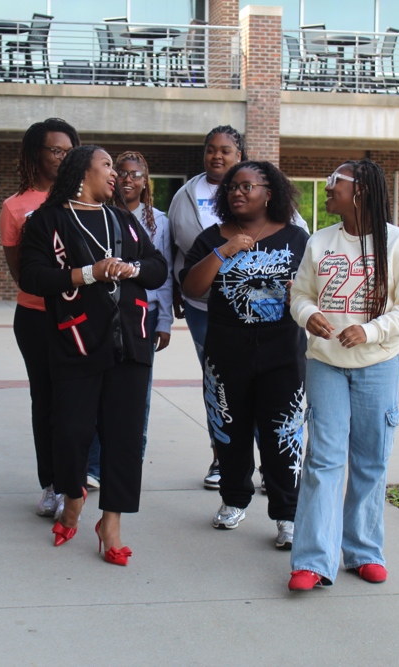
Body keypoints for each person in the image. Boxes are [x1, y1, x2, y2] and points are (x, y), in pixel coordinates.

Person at [18, 145, 168, 566]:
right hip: (76, 342)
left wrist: (131, 269)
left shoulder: (122, 219)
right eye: (107, 166)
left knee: (123, 438)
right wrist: (89, 273)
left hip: (131, 342)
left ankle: (112, 523)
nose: (116, 174)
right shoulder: (48, 219)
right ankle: (72, 496)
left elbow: (157, 266)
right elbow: (31, 276)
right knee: (69, 430)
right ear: (82, 172)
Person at [287, 159, 399, 591]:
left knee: (370, 460)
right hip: (326, 363)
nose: (327, 189)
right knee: (324, 459)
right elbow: (300, 294)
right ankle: (312, 561)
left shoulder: (397, 243)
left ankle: (363, 551)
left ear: (361, 190)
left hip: (378, 364)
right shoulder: (320, 241)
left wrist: (369, 330)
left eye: (335, 183)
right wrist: (308, 315)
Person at [180, 161, 308, 549]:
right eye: (232, 187)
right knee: (230, 429)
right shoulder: (211, 238)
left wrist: (297, 294)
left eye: (247, 186)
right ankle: (234, 500)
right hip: (227, 351)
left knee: (282, 432)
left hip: (282, 352)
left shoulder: (296, 238)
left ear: (269, 193)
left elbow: (313, 290)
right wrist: (225, 251)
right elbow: (192, 288)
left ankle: (287, 514)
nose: (237, 192)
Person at [0, 118, 80, 517]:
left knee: (74, 403)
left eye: (68, 150)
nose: (62, 157)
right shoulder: (16, 206)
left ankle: (74, 482)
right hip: (35, 318)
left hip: (79, 317)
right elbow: (19, 270)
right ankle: (50, 485)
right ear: (37, 155)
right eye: (55, 150)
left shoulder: (83, 200)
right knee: (45, 401)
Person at [168, 125, 246, 490]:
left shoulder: (259, 187)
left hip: (252, 304)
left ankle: (263, 459)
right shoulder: (186, 195)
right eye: (211, 149)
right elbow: (173, 248)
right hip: (203, 304)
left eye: (225, 150)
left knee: (255, 380)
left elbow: (293, 232)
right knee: (217, 382)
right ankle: (221, 457)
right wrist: (176, 291)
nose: (217, 156)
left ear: (239, 155)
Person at [114, 151, 173, 458]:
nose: (128, 179)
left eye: (135, 174)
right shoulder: (102, 213)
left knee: (138, 390)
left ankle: (133, 454)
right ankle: (96, 463)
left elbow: (164, 275)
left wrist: (164, 321)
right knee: (106, 386)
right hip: (109, 311)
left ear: (145, 182)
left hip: (144, 315)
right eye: (122, 172)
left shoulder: (158, 221)